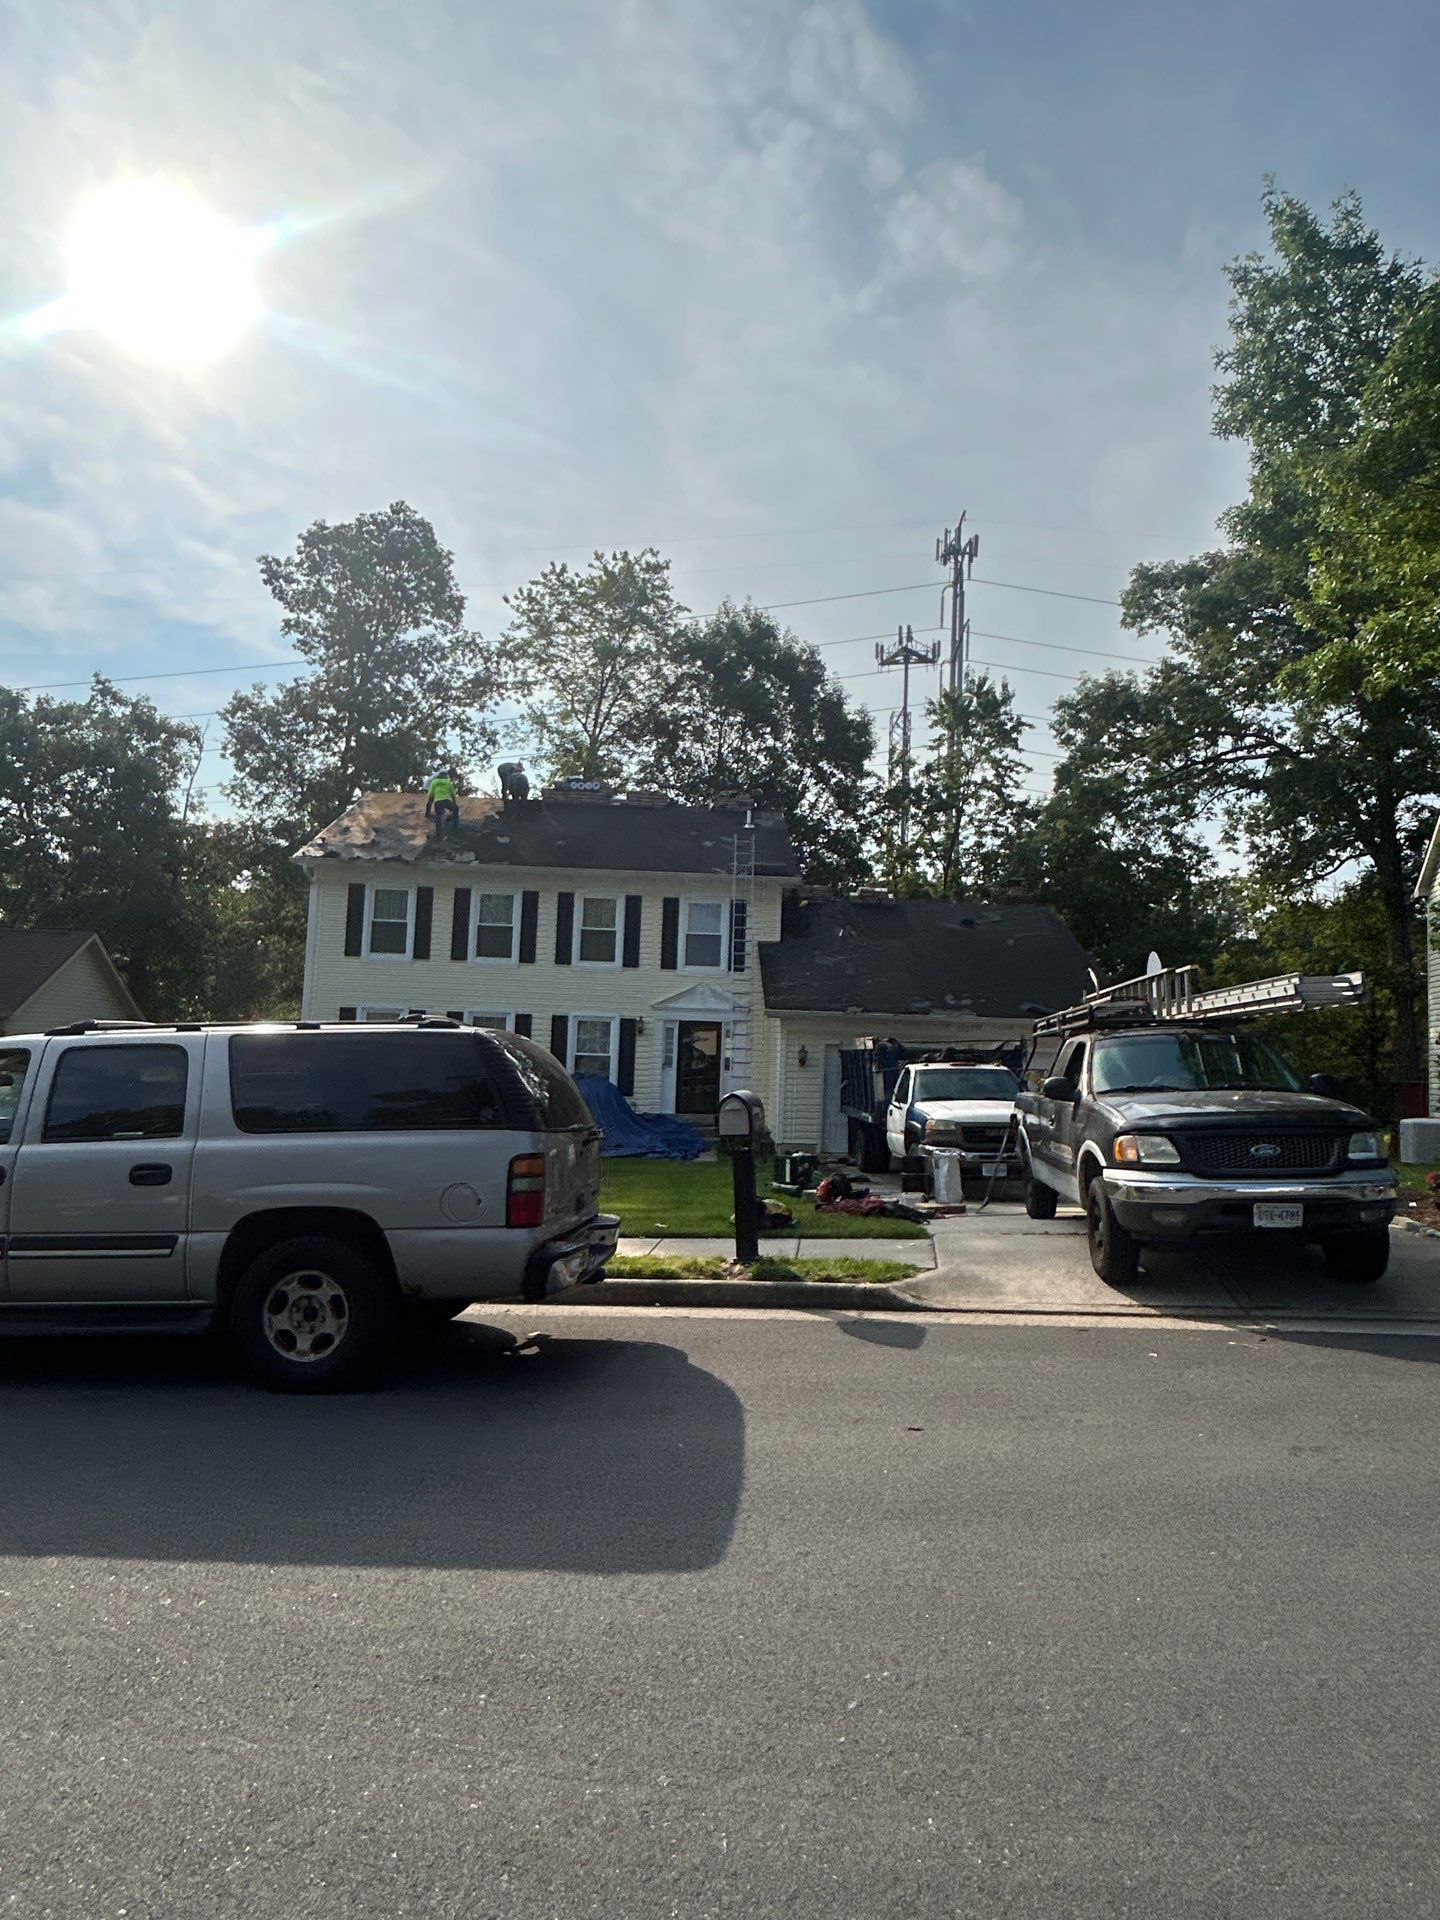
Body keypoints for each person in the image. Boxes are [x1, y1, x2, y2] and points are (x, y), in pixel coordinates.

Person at [426, 767, 460, 836]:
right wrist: (454, 802)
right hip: (430, 784)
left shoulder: (444, 776)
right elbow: (451, 793)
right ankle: (428, 813)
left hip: (434, 786)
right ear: (451, 773)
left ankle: (434, 814)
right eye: (453, 775)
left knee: (435, 802)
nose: (453, 776)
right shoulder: (445, 778)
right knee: (431, 799)